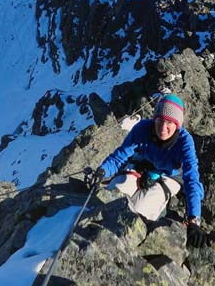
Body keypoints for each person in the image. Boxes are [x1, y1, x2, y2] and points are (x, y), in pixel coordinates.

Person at [85, 94, 206, 247]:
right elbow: (119, 157)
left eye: (169, 122)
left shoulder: (185, 142)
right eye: (160, 120)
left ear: (178, 125)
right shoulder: (142, 128)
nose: (163, 127)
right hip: (140, 167)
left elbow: (191, 179)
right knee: (112, 196)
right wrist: (101, 172)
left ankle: (124, 245)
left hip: (170, 176)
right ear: (154, 118)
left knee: (140, 212)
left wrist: (194, 219)